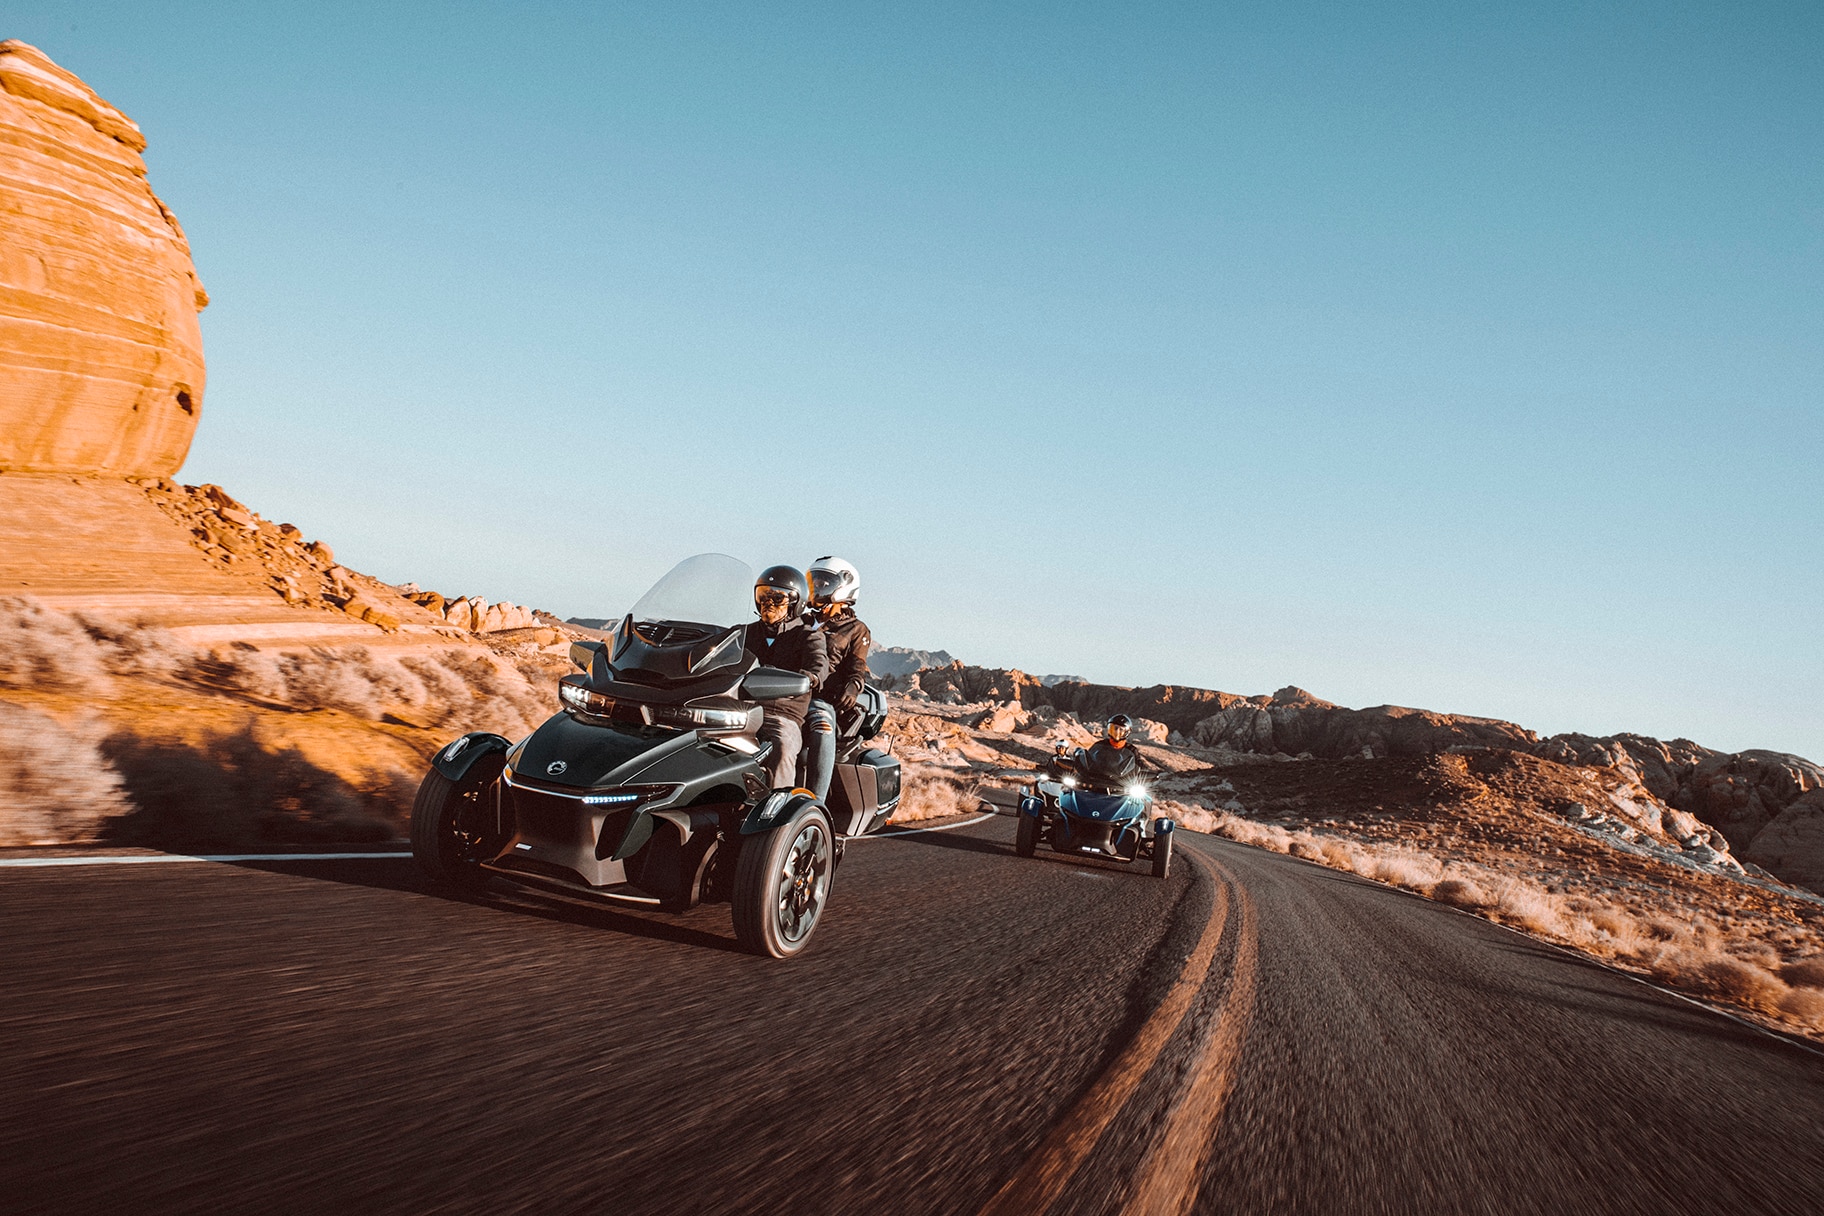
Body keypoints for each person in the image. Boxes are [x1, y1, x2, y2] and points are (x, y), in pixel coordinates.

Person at [744, 565, 828, 791]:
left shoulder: (808, 636)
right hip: (739, 708)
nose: (768, 603)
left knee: (782, 747)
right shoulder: (744, 633)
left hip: (780, 714)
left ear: (795, 603)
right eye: (763, 596)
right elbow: (715, 647)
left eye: (777, 598)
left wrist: (808, 678)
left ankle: (778, 813)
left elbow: (819, 665)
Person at [802, 556, 872, 802]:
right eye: (814, 582)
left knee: (822, 721)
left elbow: (857, 667)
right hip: (785, 690)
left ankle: (814, 804)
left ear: (843, 587)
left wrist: (852, 688)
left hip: (821, 697)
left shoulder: (855, 629)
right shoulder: (801, 620)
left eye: (823, 583)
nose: (816, 588)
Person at [1072, 713, 1154, 786]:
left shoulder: (1132, 750)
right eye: (1115, 728)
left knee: (1142, 801)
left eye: (1121, 729)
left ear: (1127, 732)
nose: (1117, 732)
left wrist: (1144, 775)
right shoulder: (1099, 745)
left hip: (1119, 787)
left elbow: (1139, 768)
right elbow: (1087, 761)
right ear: (1109, 729)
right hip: (1093, 782)